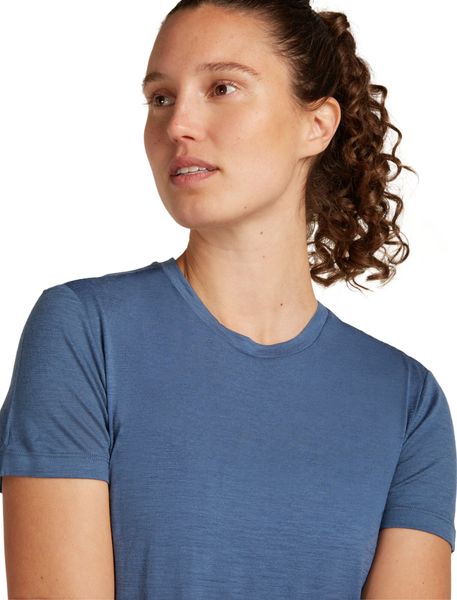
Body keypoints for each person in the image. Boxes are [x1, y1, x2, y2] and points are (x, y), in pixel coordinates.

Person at [0, 0, 455, 598]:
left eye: (222, 88)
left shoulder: (407, 402)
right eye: (161, 98)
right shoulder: (85, 334)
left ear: (316, 125)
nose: (178, 124)